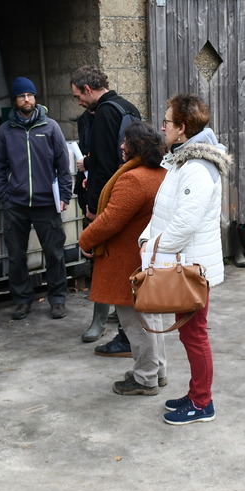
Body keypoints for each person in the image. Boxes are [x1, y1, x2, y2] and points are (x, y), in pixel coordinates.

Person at [143, 93, 230, 425]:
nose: (162, 127)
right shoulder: (182, 159)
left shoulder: (196, 166)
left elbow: (184, 224)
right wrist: (148, 238)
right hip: (183, 261)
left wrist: (152, 248)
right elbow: (165, 211)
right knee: (190, 333)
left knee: (195, 334)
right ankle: (196, 392)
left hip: (192, 266)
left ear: (181, 128)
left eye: (166, 122)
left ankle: (202, 402)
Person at [78, 121, 168, 395]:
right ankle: (157, 372)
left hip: (128, 262)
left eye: (126, 142)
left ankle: (145, 379)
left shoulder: (134, 178)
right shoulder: (160, 173)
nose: (121, 146)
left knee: (135, 322)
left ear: (137, 147)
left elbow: (109, 220)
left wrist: (85, 239)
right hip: (146, 259)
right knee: (151, 320)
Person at [70, 65, 141, 353]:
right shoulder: (128, 106)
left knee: (105, 260)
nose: (78, 102)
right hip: (131, 195)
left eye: (77, 96)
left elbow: (101, 166)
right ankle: (123, 325)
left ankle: (121, 334)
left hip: (110, 199)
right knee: (126, 262)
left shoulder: (104, 114)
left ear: (88, 89)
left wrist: (92, 207)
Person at [0, 77, 74, 321]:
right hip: (16, 204)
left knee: (54, 253)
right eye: (21, 96)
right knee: (16, 255)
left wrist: (65, 195)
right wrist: (4, 195)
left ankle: (57, 299)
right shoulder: (6, 131)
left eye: (30, 95)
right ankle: (22, 300)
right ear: (15, 101)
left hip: (47, 204)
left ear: (35, 98)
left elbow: (63, 163)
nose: (26, 99)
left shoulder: (50, 127)